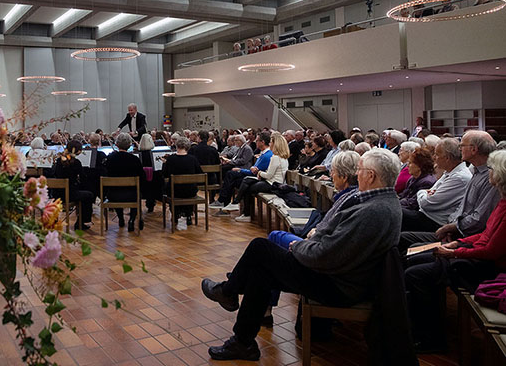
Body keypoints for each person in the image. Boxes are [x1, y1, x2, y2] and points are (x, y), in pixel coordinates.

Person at [201, 149, 402, 361]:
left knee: (260, 248)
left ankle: (229, 292)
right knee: (262, 272)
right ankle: (242, 341)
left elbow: (325, 255)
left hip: (338, 285)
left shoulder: (374, 211)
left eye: (360, 170)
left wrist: (297, 247)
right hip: (340, 275)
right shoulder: (382, 202)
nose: (356, 174)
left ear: (371, 176)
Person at [405, 149, 506, 352]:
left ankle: (432, 339)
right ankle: (417, 328)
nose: (489, 173)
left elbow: (491, 251)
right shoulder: (502, 201)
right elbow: (485, 235)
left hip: (487, 267)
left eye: (492, 170)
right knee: (412, 258)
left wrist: (455, 252)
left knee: (415, 274)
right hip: (474, 254)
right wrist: (457, 244)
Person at [265, 151, 360, 325]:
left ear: (344, 177)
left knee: (273, 240)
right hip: (320, 249)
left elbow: (331, 239)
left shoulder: (349, 199)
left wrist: (314, 234)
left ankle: (261, 305)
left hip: (320, 256)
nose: (331, 175)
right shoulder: (351, 196)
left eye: (334, 172)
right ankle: (261, 306)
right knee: (269, 251)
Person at [400, 131, 499, 250]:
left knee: (405, 238)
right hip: (454, 227)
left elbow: (478, 219)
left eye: (462, 145)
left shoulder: (488, 178)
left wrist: (452, 228)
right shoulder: (475, 172)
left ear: (473, 149)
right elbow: (461, 209)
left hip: (464, 235)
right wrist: (452, 226)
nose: (460, 149)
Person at [233, 133, 289, 223]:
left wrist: (258, 172)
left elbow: (268, 176)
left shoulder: (275, 158)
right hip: (275, 183)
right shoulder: (283, 157)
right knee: (247, 180)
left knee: (247, 187)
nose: (269, 144)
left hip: (272, 185)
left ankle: (244, 211)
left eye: (271, 142)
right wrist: (259, 173)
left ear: (275, 144)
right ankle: (240, 205)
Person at [213, 132, 271, 213]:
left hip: (256, 178)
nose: (255, 142)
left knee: (230, 175)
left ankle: (227, 202)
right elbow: (254, 169)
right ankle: (226, 204)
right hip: (251, 175)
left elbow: (254, 171)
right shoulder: (262, 154)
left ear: (262, 142)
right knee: (231, 178)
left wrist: (240, 170)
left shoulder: (265, 155)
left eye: (257, 140)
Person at [50, 140, 95, 231]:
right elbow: (83, 178)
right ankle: (81, 222)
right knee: (88, 195)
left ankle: (54, 222)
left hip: (57, 194)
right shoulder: (76, 163)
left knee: (83, 194)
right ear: (78, 151)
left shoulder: (59, 161)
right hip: (69, 194)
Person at [105, 133, 145, 232]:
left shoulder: (110, 159)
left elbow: (105, 175)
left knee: (117, 190)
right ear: (129, 145)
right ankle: (131, 220)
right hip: (131, 195)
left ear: (117, 144)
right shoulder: (135, 159)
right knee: (137, 194)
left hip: (113, 195)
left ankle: (121, 218)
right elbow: (142, 177)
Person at [162, 137, 203, 226]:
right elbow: (200, 174)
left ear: (177, 146)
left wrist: (164, 164)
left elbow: (165, 175)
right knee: (187, 189)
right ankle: (188, 214)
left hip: (174, 192)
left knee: (170, 188)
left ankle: (176, 213)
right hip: (190, 191)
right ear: (188, 147)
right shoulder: (193, 159)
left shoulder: (171, 159)